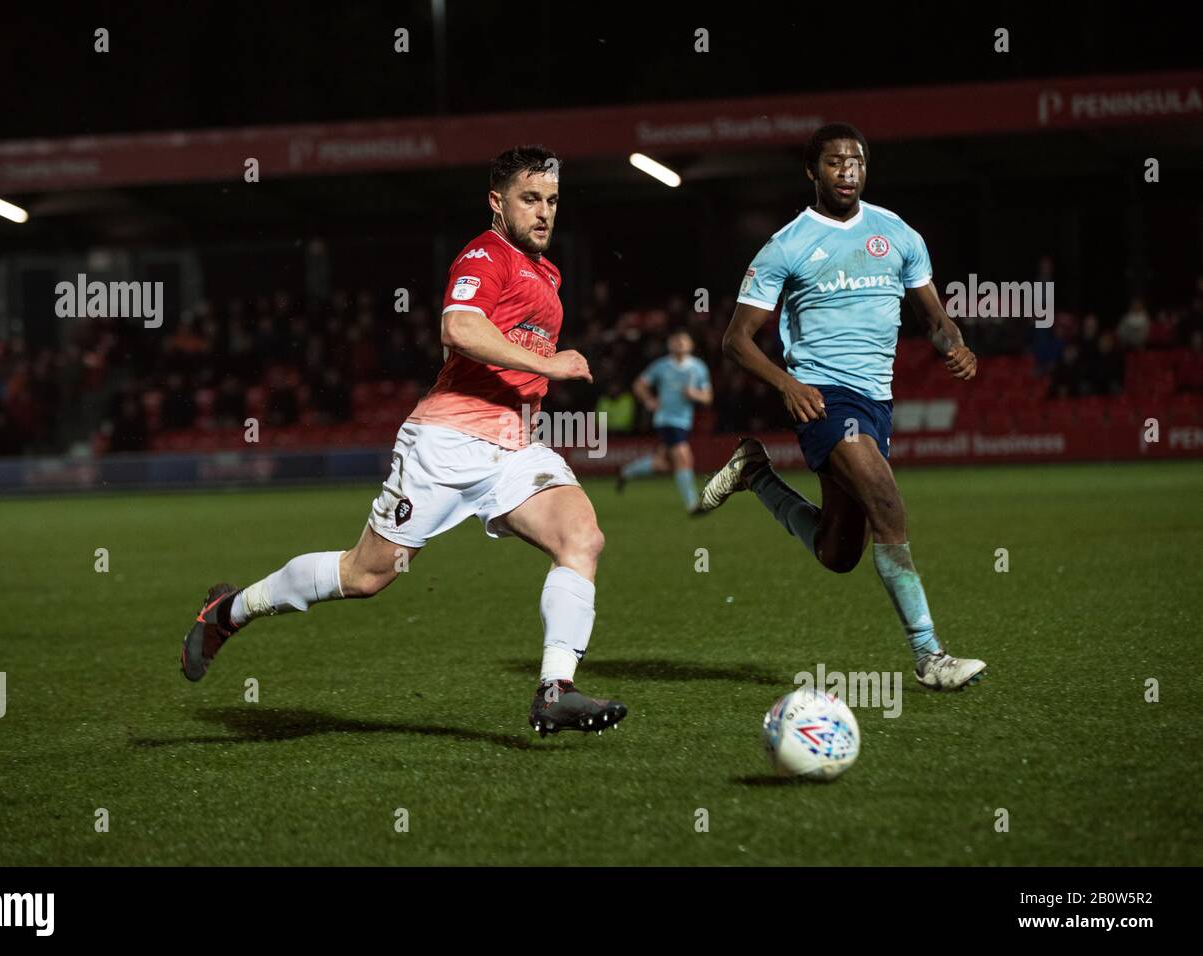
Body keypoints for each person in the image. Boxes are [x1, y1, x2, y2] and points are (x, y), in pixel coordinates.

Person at [179, 145, 627, 737]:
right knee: (366, 575)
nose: (543, 212)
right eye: (530, 199)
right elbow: (458, 327)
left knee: (582, 538)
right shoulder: (484, 255)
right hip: (446, 443)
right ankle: (229, 612)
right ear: (498, 203)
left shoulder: (547, 272)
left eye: (551, 201)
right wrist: (551, 366)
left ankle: (554, 690)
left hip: (514, 447)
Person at [694, 123, 986, 691]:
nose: (847, 171)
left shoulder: (898, 233)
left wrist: (956, 345)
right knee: (887, 503)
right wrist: (787, 384)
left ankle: (756, 474)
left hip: (877, 401)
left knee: (837, 551)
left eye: (856, 161)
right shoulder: (787, 244)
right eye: (834, 163)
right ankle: (930, 656)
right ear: (813, 172)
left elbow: (934, 316)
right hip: (823, 399)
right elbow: (736, 340)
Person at [616, 331, 713, 512]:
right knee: (684, 457)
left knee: (661, 464)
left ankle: (626, 472)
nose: (680, 344)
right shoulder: (661, 366)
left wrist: (695, 394)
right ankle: (693, 505)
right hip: (665, 419)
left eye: (683, 341)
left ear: (691, 345)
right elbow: (639, 385)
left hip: (684, 421)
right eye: (676, 340)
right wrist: (649, 400)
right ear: (670, 345)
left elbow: (708, 397)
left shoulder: (699, 368)